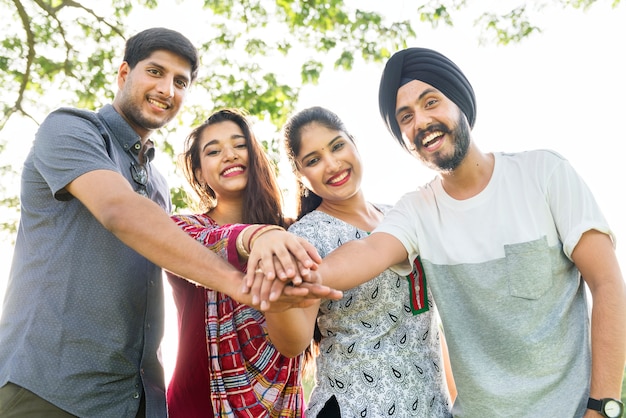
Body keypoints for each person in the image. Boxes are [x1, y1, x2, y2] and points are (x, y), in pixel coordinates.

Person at [245, 48, 626, 418]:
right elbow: (367, 252)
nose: (421, 122)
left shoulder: (545, 174)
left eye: (431, 102)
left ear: (460, 101)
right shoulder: (416, 210)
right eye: (405, 117)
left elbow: (608, 284)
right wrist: (293, 275)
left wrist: (603, 406)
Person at [0, 28, 332, 418]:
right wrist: (244, 282)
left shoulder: (157, 184)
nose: (167, 89)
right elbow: (119, 211)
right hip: (53, 389)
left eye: (180, 81)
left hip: (136, 400)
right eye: (155, 72)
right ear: (124, 74)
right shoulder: (71, 129)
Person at [280, 106, 454, 417]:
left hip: (429, 405)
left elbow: (428, 327)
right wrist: (277, 296)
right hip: (354, 406)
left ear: (354, 143)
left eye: (337, 146)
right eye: (313, 160)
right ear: (300, 176)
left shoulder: (399, 216)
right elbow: (294, 343)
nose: (332, 164)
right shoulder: (305, 237)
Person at [165, 108, 337, 417]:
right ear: (200, 173)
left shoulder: (294, 235)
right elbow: (200, 241)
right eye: (213, 151)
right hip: (195, 406)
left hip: (282, 408)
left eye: (239, 144)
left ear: (255, 155)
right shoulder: (182, 229)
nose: (229, 155)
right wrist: (259, 237)